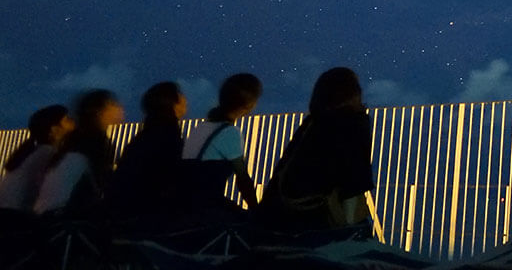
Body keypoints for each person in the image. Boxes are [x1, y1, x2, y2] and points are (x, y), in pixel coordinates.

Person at [261, 67, 374, 232]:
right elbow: (355, 177)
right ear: (354, 93)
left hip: (278, 212)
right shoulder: (354, 121)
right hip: (316, 214)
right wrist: (351, 227)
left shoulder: (312, 122)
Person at [33, 90, 124, 216]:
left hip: (46, 216)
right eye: (113, 104)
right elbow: (110, 187)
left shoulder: (74, 143)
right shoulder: (95, 142)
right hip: (63, 221)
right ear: (100, 111)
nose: (120, 108)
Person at [181, 72, 262, 210]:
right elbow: (242, 179)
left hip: (184, 202)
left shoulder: (201, 128)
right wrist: (256, 210)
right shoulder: (229, 132)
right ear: (250, 105)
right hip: (204, 206)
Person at [108, 82, 186, 221]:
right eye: (180, 95)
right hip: (148, 217)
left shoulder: (144, 136)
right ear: (173, 102)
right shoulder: (168, 135)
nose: (185, 99)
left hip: (122, 213)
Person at [0, 105, 73, 212]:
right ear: (54, 129)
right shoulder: (47, 153)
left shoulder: (30, 153)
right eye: (67, 120)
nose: (73, 123)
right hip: (18, 218)